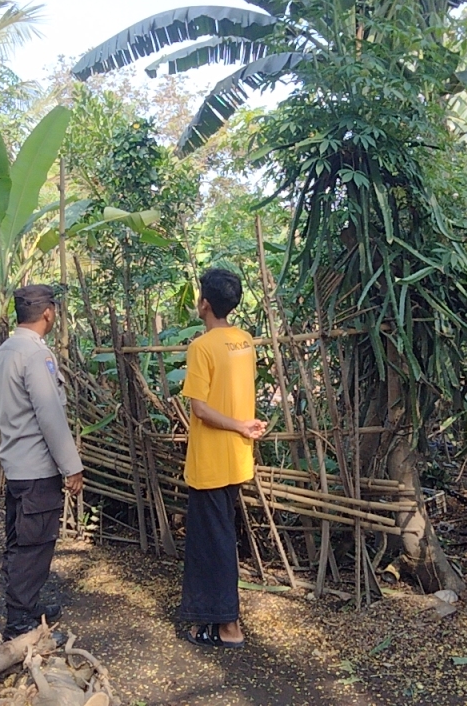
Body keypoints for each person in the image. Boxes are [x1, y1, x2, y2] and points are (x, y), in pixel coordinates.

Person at [179, 268, 266, 649]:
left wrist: (238, 426)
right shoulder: (244, 341)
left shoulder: (202, 347)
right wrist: (243, 428)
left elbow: (199, 409)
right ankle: (216, 619)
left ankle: (228, 626)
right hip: (237, 458)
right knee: (221, 537)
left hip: (211, 461)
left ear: (205, 304)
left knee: (213, 544)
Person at [0, 284, 83, 639]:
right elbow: (50, 414)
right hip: (37, 467)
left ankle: (26, 606)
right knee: (35, 544)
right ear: (48, 312)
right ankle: (20, 624)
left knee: (20, 539)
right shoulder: (35, 354)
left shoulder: (5, 350)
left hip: (16, 463)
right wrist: (71, 466)